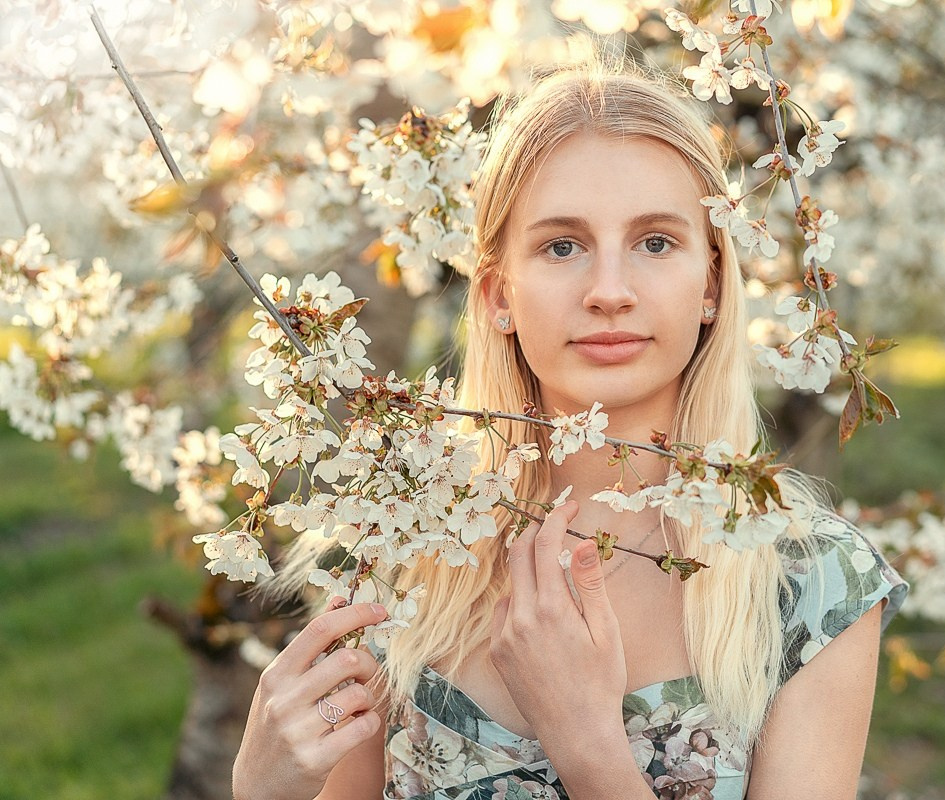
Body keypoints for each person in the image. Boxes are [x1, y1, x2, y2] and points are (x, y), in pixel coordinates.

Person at [231, 56, 908, 800]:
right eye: (562, 246)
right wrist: (266, 790)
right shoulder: (404, 540)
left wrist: (588, 746)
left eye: (655, 242)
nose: (609, 292)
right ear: (498, 294)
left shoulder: (811, 586)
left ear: (711, 282)